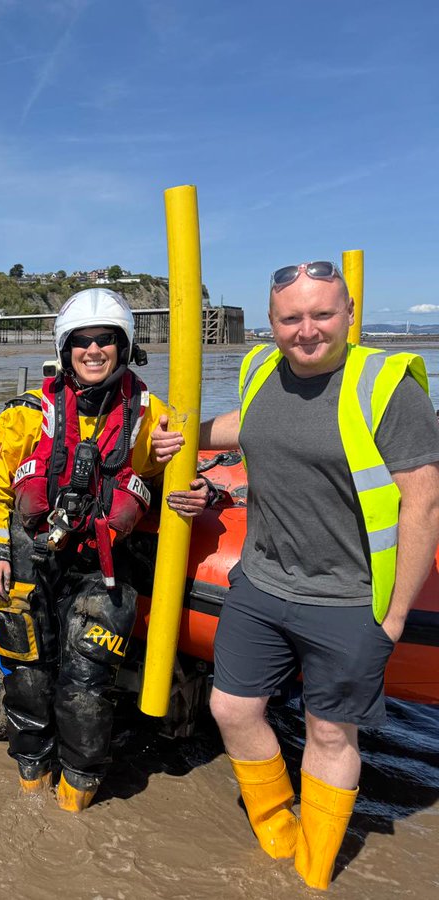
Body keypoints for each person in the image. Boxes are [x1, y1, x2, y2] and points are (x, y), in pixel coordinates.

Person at [170, 261, 439, 889]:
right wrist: (184, 438)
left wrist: (394, 616)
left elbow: (422, 506)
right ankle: (276, 830)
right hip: (260, 583)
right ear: (272, 325)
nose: (307, 330)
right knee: (232, 708)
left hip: (347, 597)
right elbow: (250, 427)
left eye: (322, 314)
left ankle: (315, 865)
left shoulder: (388, 386)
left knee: (329, 730)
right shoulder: (262, 369)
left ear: (349, 315)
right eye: (292, 318)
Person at [0, 288, 198, 811]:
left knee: (85, 685)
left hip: (105, 567)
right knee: (29, 675)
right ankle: (32, 779)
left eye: (106, 341)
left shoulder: (153, 417)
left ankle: (77, 793)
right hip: (33, 555)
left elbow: (174, 482)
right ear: (65, 348)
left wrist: (183, 471)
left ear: (125, 348)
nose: (94, 351)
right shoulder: (26, 416)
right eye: (83, 341)